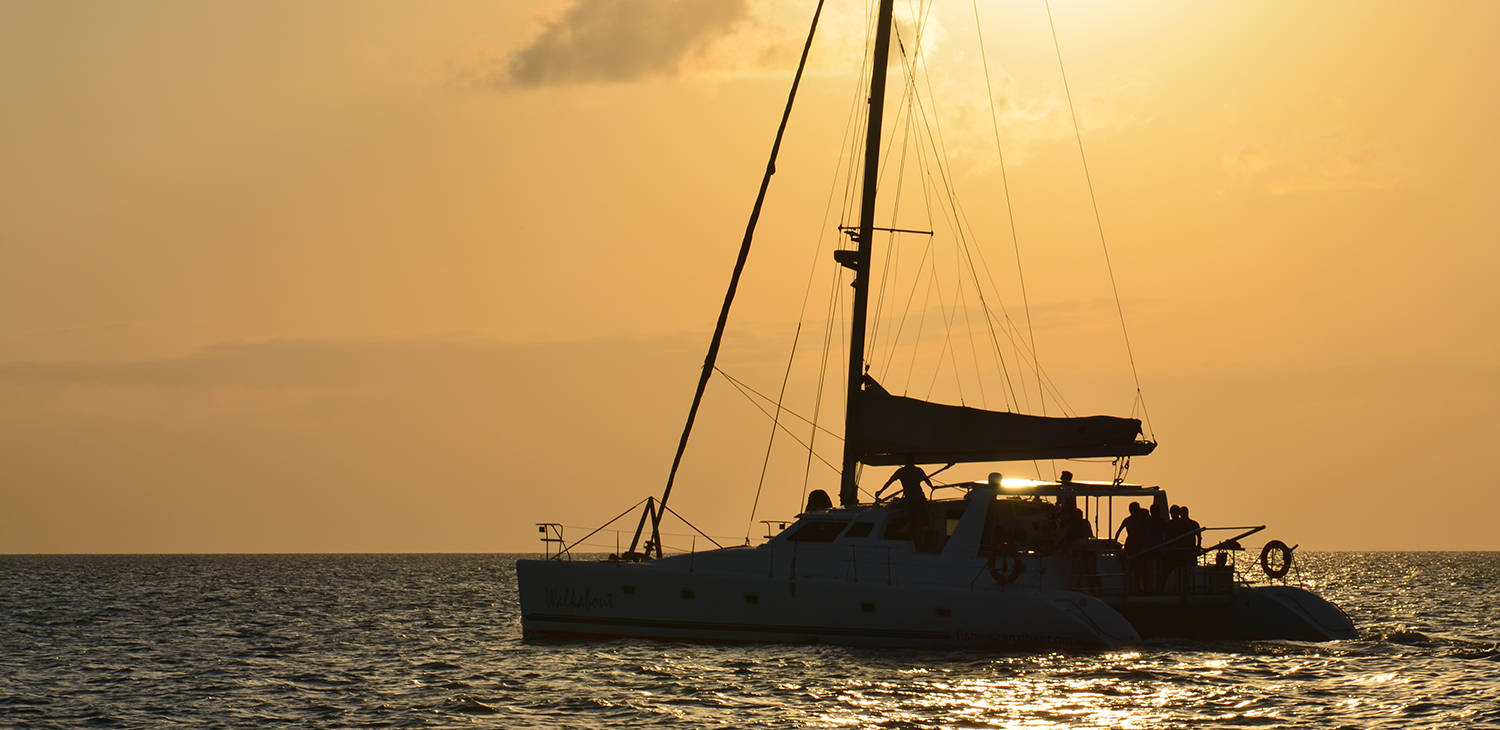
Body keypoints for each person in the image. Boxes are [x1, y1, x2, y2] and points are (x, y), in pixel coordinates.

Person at [878, 457, 936, 550]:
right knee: (920, 521)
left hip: (910, 500)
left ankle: (914, 541)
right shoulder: (918, 470)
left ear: (905, 460)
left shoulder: (901, 472)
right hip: (920, 498)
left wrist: (880, 492)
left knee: (912, 521)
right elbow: (927, 481)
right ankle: (918, 541)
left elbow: (890, 481)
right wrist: (932, 487)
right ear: (913, 460)